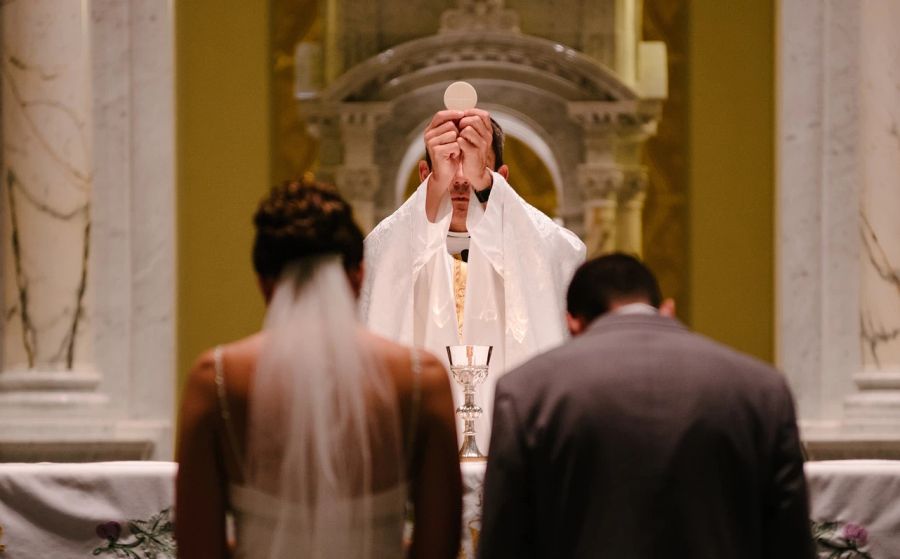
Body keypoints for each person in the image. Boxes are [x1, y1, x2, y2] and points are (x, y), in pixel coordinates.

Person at [176, 178, 462, 558]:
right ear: (358, 274)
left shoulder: (215, 379)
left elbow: (198, 551)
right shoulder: (420, 379)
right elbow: (438, 550)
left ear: (264, 283)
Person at [478, 253, 815, 559]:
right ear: (667, 309)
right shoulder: (762, 388)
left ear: (573, 323)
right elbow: (789, 542)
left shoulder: (526, 391)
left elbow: (506, 542)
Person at [361, 108, 586, 449]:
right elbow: (376, 263)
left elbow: (564, 255)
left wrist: (486, 186)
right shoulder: (400, 246)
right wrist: (439, 183)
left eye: (474, 166)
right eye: (450, 164)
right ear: (425, 173)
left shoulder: (529, 243)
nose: (461, 180)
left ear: (502, 178)